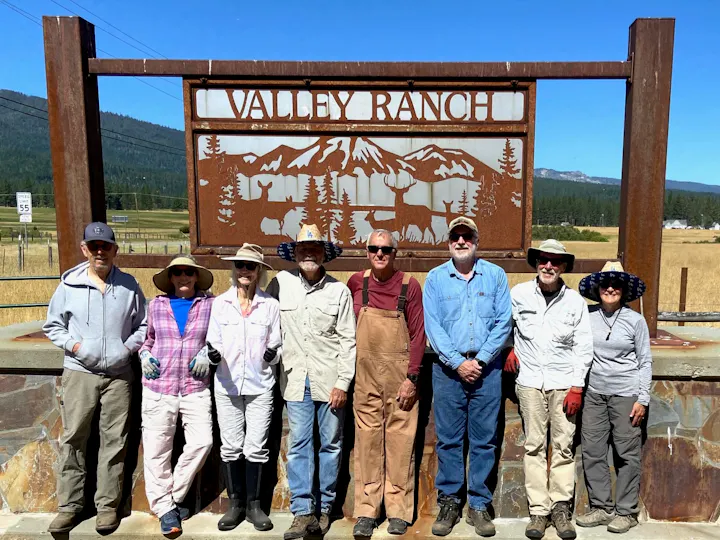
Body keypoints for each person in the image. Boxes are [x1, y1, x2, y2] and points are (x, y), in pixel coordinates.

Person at [43, 222, 147, 534]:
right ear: (85, 249)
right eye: (94, 246)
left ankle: (107, 507)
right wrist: (76, 346)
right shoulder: (68, 287)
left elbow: (143, 325)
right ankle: (69, 507)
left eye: (106, 246)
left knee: (114, 443)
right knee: (74, 438)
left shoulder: (129, 286)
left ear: (115, 250)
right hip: (80, 373)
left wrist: (127, 349)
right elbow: (53, 325)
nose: (100, 251)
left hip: (119, 376)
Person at [423, 216, 512, 538]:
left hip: (487, 370)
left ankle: (478, 504)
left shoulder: (496, 276)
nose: (461, 242)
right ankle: (449, 503)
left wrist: (483, 358)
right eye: (456, 237)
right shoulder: (435, 279)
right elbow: (433, 326)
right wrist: (458, 363)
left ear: (476, 241)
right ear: (449, 242)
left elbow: (504, 321)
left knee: (484, 441)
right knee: (449, 441)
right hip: (448, 371)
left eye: (467, 237)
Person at [266, 224, 356, 540]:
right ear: (295, 253)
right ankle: (303, 512)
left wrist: (343, 383)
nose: (308, 253)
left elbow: (348, 340)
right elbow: (266, 325)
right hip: (293, 381)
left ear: (323, 255)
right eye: (303, 249)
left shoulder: (339, 291)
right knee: (299, 444)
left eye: (314, 249)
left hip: (329, 381)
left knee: (331, 445)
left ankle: (325, 510)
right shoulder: (279, 284)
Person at [504, 239, 593, 540]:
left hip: (563, 383)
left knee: (564, 448)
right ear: (536, 263)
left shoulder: (575, 302)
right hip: (529, 382)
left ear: (564, 266)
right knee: (534, 446)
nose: (549, 266)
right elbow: (505, 326)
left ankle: (560, 508)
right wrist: (510, 349)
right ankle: (538, 511)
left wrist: (577, 387)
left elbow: (583, 347)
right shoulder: (518, 294)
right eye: (544, 260)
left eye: (555, 262)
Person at [347, 229, 426, 538]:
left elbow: (418, 335)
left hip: (400, 378)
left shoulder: (410, 286)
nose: (379, 254)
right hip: (365, 377)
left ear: (395, 253)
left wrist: (412, 378)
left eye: (386, 250)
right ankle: (367, 511)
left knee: (400, 442)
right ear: (367, 251)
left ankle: (398, 511)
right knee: (366, 442)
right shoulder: (357, 283)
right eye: (373, 248)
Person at [206, 243, 281, 532]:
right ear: (233, 270)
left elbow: (277, 344)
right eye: (240, 265)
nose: (245, 271)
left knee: (256, 446)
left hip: (260, 384)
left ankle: (255, 505)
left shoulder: (270, 306)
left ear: (259, 270)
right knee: (231, 445)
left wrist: (271, 354)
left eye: (250, 266)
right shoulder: (220, 304)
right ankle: (235, 504)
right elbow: (213, 340)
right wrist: (213, 353)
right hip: (227, 384)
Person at [138, 256, 215, 535]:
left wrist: (209, 352)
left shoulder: (211, 305)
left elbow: (219, 337)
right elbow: (146, 339)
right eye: (178, 273)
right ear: (170, 278)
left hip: (195, 387)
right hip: (160, 387)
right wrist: (144, 354)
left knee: (202, 442)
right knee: (157, 452)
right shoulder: (156, 305)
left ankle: (171, 498)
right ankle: (166, 511)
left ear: (196, 277)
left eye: (189, 272)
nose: (183, 277)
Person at [575, 262, 651, 534]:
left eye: (616, 285)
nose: (610, 288)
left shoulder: (635, 321)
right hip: (594, 393)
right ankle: (601, 507)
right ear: (597, 289)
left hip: (626, 394)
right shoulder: (587, 315)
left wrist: (642, 398)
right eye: (605, 284)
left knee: (626, 453)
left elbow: (644, 361)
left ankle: (627, 511)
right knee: (593, 450)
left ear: (624, 290)